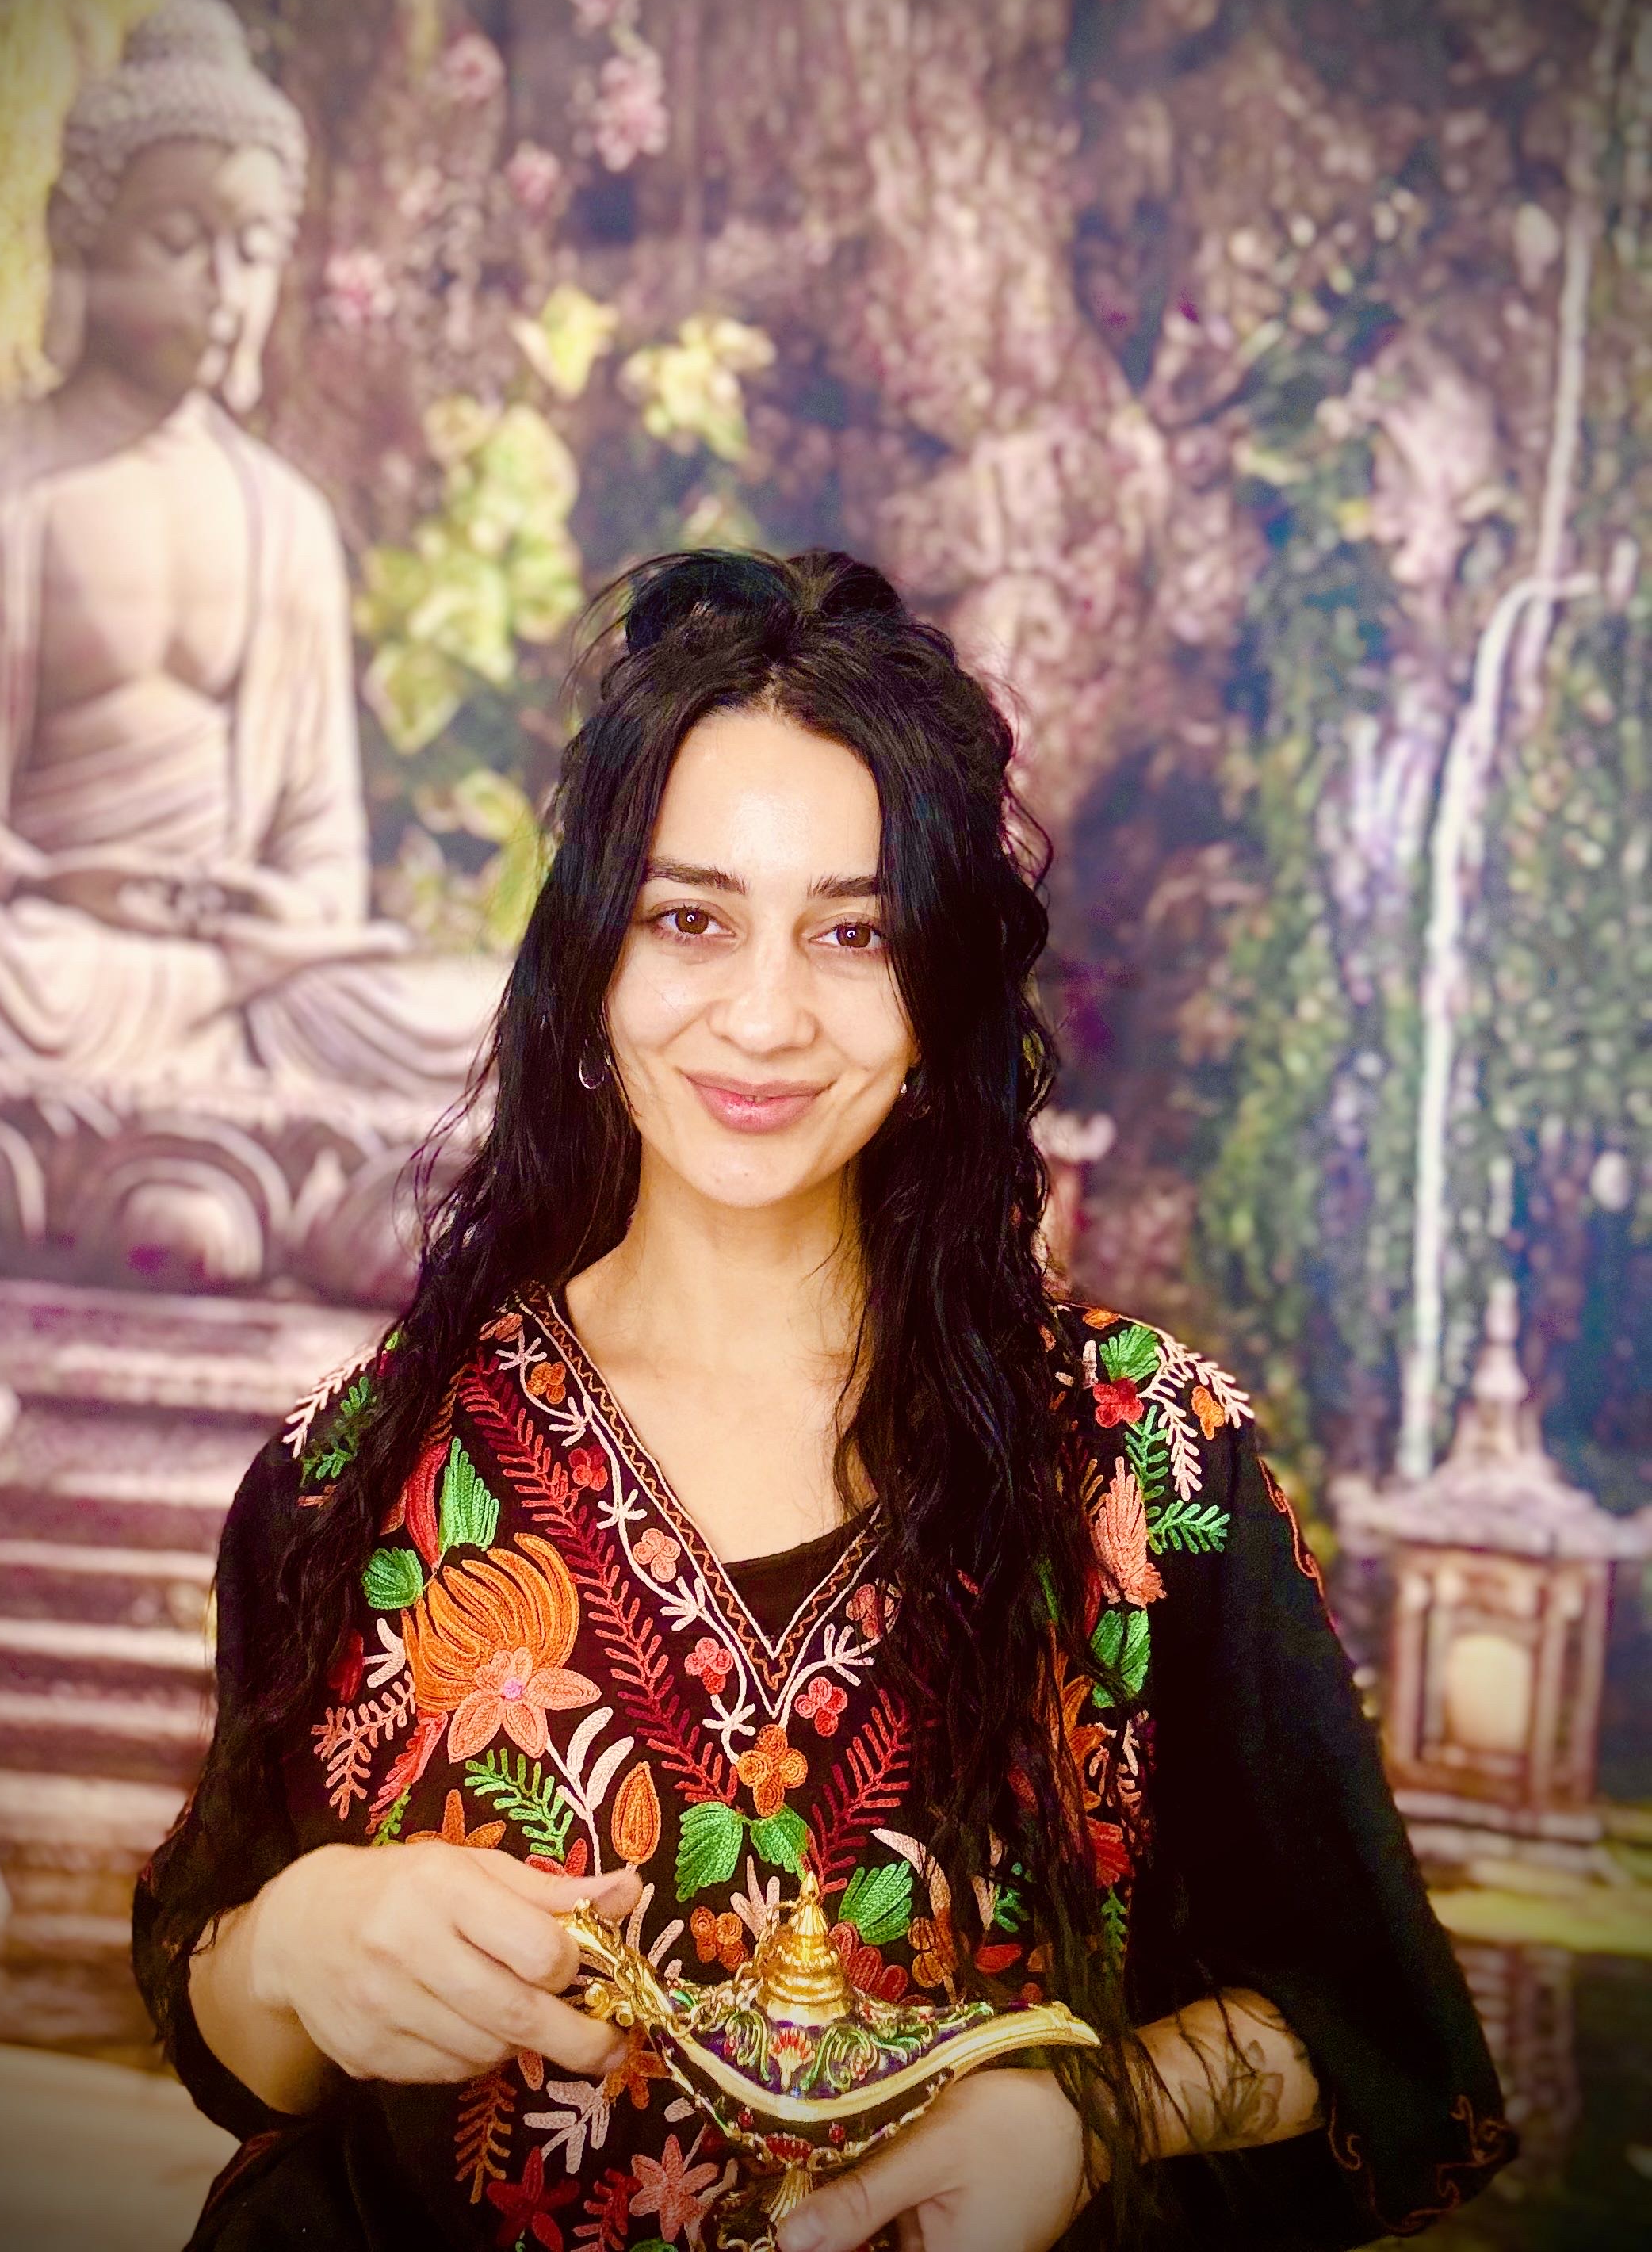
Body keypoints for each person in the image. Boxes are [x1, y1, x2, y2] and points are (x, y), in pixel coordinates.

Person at [135, 549, 1513, 2250]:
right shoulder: (362, 1470)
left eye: (852, 932)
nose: (766, 1014)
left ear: (940, 995)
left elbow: (1377, 2029)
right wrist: (293, 1947)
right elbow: (230, 2027)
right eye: (691, 918)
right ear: (592, 962)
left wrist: (1086, 2118)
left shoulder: (1145, 1464)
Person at [0, 0, 499, 1095]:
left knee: (478, 1021)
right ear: (81, 237)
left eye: (252, 250)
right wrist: (44, 887)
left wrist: (280, 912)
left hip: (247, 970)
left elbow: (321, 847)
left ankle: (195, 1069)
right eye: (179, 240)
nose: (220, 287)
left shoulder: (285, 516)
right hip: (53, 953)